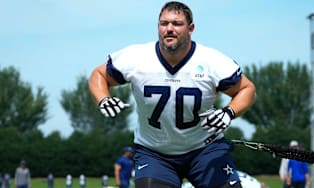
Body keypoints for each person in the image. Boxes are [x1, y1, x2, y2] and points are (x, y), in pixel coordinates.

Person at [89, 1, 256, 187]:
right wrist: (103, 98)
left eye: (177, 24)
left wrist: (229, 112)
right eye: (164, 23)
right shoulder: (136, 57)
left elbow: (247, 89)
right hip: (154, 153)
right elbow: (99, 74)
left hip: (205, 148)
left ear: (190, 28)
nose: (169, 28)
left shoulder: (212, 61)